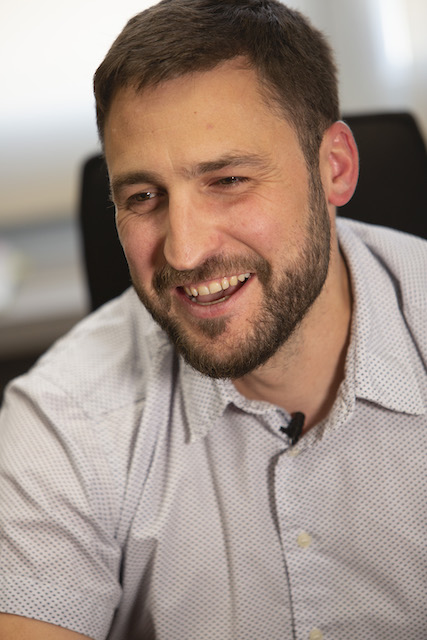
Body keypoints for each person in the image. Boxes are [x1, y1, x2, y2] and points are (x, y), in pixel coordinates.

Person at [0, 0, 426, 638]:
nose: (184, 251)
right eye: (144, 196)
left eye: (228, 180)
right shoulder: (65, 416)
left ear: (333, 168)